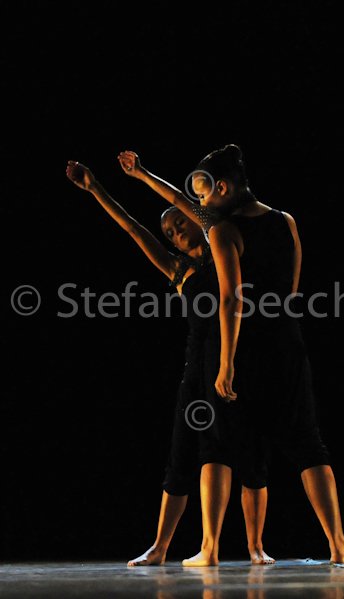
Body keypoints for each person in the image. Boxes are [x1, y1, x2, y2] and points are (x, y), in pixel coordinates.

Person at [117, 146, 344, 564]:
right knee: (308, 443)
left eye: (203, 196)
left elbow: (232, 299)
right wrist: (141, 175)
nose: (199, 204)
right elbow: (291, 290)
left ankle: (210, 548)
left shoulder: (222, 229)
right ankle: (339, 545)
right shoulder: (286, 221)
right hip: (286, 342)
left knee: (219, 445)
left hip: (244, 347)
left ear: (222, 188)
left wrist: (227, 362)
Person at [65, 160, 274, 566]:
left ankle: (255, 546)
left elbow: (184, 201)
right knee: (182, 456)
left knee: (250, 454)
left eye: (179, 222)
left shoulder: (224, 244)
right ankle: (161, 546)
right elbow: (132, 228)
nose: (175, 231)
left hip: (237, 361)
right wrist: (95, 189)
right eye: (169, 232)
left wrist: (143, 174)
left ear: (196, 220)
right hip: (197, 370)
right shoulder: (179, 270)